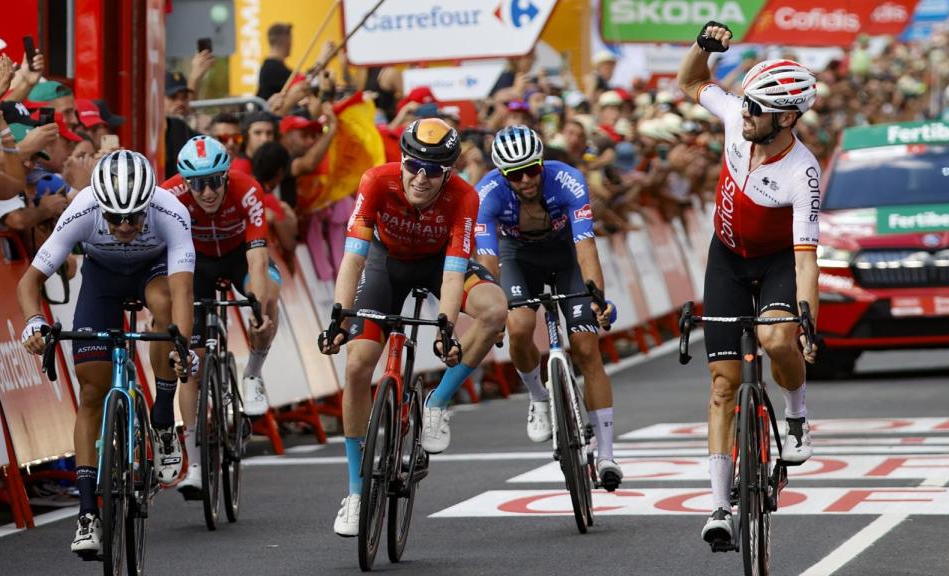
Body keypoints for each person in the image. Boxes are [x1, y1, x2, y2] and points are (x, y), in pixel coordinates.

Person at [319, 118, 508, 537]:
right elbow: (352, 258)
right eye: (413, 166)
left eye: (435, 169)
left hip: (440, 264)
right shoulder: (375, 181)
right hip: (386, 265)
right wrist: (339, 315)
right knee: (356, 366)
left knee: (495, 311)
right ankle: (355, 491)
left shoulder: (464, 196)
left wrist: (446, 325)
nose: (421, 177)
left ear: (450, 172)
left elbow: (455, 273)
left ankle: (438, 403)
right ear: (401, 161)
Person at [676, 22, 820, 546]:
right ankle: (718, 505)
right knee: (722, 384)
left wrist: (807, 321)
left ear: (786, 117)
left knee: (777, 338)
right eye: (746, 104)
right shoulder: (738, 120)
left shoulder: (802, 171)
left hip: (779, 261)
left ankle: (797, 413)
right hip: (727, 258)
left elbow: (807, 260)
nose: (745, 112)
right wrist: (704, 47)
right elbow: (690, 83)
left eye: (757, 108)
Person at [17, 150, 196, 558]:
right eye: (116, 219)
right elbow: (30, 282)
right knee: (92, 395)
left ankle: (165, 420)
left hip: (154, 273)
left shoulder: (171, 211)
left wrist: (183, 348)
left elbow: (184, 291)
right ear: (100, 207)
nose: (126, 226)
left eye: (134, 217)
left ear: (149, 204)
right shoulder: (82, 209)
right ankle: (87, 514)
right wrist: (32, 322)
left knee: (165, 306)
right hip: (102, 278)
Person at [475, 125, 623, 491]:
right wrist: (492, 309)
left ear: (542, 163)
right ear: (502, 174)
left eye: (532, 170)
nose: (526, 180)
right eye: (515, 174)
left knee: (588, 348)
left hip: (565, 257)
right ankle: (538, 396)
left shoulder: (568, 181)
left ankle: (606, 454)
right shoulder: (487, 194)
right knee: (521, 326)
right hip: (517, 259)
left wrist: (596, 298)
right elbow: (488, 260)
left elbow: (586, 246)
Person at [159, 136, 283, 497]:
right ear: (186, 181)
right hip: (194, 265)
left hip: (239, 256)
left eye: (215, 180)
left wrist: (257, 308)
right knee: (190, 363)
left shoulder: (247, 190)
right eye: (198, 183)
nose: (208, 191)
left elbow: (258, 259)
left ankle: (253, 374)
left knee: (269, 297)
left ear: (227, 175)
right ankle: (194, 464)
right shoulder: (170, 196)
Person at [257, 23, 293, 100]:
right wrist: (320, 62)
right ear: (286, 41)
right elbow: (302, 84)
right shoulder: (273, 69)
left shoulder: (270, 66)